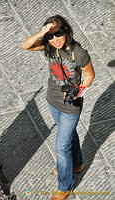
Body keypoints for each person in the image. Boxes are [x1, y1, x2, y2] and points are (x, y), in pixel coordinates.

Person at [23, 15, 95, 200]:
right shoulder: (49, 47)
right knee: (70, 135)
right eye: (50, 36)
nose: (55, 39)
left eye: (58, 34)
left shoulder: (78, 53)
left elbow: (89, 75)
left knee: (61, 147)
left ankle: (65, 185)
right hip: (52, 100)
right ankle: (77, 164)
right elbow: (27, 45)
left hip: (71, 106)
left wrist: (76, 92)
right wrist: (41, 33)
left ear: (66, 31)